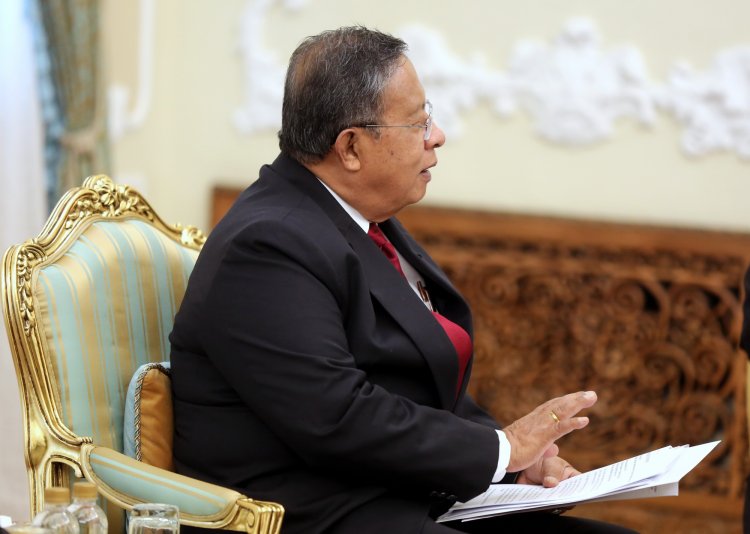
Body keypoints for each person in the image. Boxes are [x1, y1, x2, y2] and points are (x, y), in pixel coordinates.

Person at [170, 26, 635, 534]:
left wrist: (513, 464)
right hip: (311, 515)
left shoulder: (356, 218)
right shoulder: (267, 245)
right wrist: (501, 449)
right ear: (351, 147)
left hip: (400, 494)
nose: (437, 136)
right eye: (418, 123)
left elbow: (413, 385)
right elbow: (337, 417)